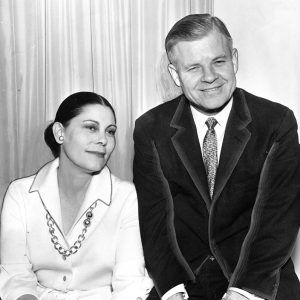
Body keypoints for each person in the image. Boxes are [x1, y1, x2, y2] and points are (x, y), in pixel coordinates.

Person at [133, 14, 300, 300]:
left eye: (219, 62)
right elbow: (154, 222)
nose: (209, 77)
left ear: (234, 60)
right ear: (175, 74)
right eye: (194, 67)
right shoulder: (150, 128)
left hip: (259, 279)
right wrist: (172, 289)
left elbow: (278, 218)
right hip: (184, 281)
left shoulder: (276, 122)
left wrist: (243, 291)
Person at [0, 92, 153, 300]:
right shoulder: (20, 194)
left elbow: (129, 282)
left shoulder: (125, 196)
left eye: (110, 131)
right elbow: (15, 277)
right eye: (91, 127)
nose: (103, 140)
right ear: (59, 133)